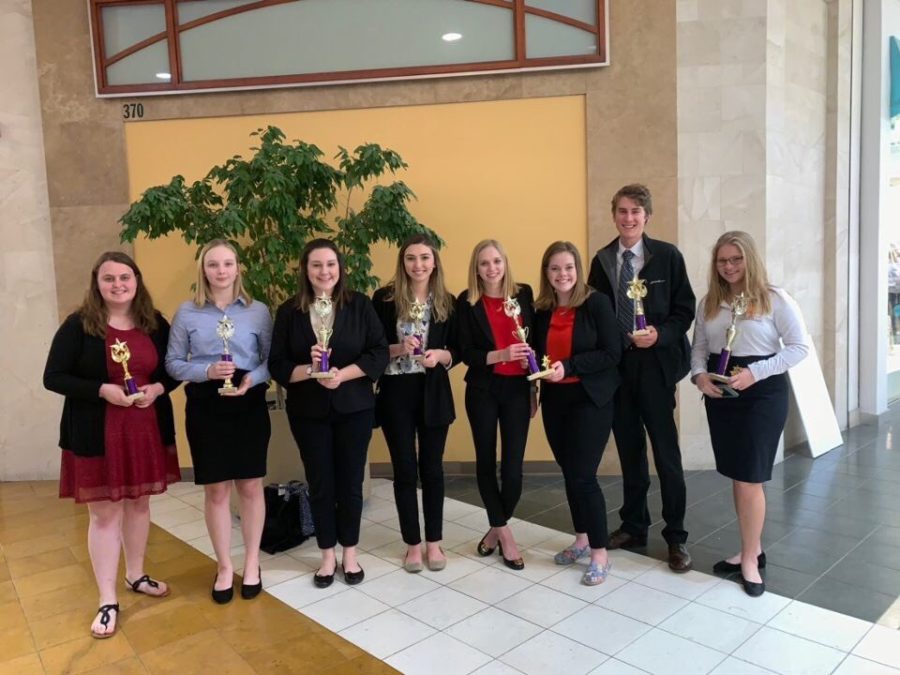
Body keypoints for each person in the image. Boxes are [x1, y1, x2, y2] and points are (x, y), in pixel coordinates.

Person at [43, 251, 180, 639]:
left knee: (139, 505)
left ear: (136, 280)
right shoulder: (78, 326)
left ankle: (135, 575)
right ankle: (107, 598)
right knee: (104, 516)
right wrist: (101, 390)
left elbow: (172, 371)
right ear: (97, 283)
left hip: (144, 430)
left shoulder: (155, 323)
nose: (118, 285)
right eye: (109, 279)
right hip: (97, 433)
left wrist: (156, 388)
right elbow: (53, 377)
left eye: (125, 277)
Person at [691, 231, 808, 597]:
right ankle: (751, 547)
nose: (729, 267)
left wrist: (754, 373)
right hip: (722, 393)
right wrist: (699, 377)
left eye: (735, 259)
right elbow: (698, 348)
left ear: (749, 259)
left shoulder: (775, 299)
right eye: (722, 260)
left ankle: (749, 561)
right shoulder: (710, 302)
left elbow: (800, 348)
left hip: (761, 395)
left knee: (750, 477)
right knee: (738, 476)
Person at [587, 183, 696, 572]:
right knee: (630, 452)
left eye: (635, 211)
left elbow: (685, 310)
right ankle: (634, 525)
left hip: (656, 367)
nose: (628, 218)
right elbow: (595, 316)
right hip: (619, 369)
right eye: (622, 211)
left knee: (666, 454)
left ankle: (677, 537)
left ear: (646, 216)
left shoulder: (666, 256)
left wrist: (660, 335)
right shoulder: (602, 260)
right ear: (613, 214)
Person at [268, 239, 389, 588]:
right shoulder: (289, 311)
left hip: (355, 408)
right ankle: (326, 556)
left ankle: (349, 553)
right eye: (317, 265)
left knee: (351, 483)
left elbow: (378, 353)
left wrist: (340, 375)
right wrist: (311, 370)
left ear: (340, 268)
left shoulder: (360, 305)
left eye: (331, 265)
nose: (325, 272)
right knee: (320, 484)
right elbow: (277, 364)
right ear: (305, 270)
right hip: (308, 411)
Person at [166, 239, 273, 604]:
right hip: (205, 404)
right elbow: (172, 363)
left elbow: (271, 361)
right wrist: (207, 370)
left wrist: (252, 380)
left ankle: (253, 561)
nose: (221, 271)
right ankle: (225, 565)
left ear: (238, 268)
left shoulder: (258, 311)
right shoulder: (187, 313)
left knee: (251, 485)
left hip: (247, 401)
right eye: (214, 265)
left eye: (228, 264)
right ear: (204, 270)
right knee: (216, 489)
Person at [534, 242, 621, 585]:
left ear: (578, 269)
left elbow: (611, 353)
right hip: (555, 400)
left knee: (584, 476)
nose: (562, 274)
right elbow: (536, 357)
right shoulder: (542, 309)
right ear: (547, 273)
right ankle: (582, 539)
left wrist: (569, 365)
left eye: (568, 267)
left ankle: (600, 554)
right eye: (555, 268)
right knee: (569, 472)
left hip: (590, 399)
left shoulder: (596, 302)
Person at [372, 234, 458, 573]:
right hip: (396, 392)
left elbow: (459, 350)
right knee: (405, 470)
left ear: (434, 261)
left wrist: (441, 355)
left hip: (433, 390)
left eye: (424, 258)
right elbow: (374, 348)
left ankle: (433, 543)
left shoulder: (448, 302)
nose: (418, 265)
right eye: (411, 258)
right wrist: (397, 348)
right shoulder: (384, 299)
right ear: (402, 262)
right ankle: (411, 544)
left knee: (432, 469)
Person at [456, 239, 536, 571]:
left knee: (514, 468)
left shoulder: (525, 294)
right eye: (484, 263)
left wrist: (535, 387)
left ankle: (493, 530)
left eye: (497, 261)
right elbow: (465, 353)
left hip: (518, 389)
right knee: (486, 461)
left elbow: (537, 341)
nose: (492, 269)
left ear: (505, 263)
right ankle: (506, 536)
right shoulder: (467, 302)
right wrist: (500, 355)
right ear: (476, 268)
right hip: (483, 389)